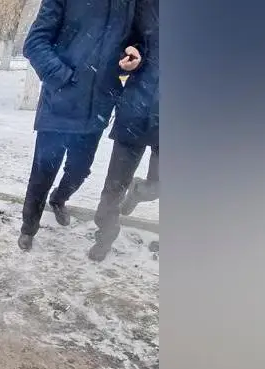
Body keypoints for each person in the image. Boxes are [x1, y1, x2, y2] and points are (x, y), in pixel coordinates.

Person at [18, 0, 142, 251]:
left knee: (79, 170)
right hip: (59, 105)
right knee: (43, 173)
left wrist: (132, 55)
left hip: (97, 109)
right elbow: (34, 44)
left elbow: (134, 42)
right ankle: (28, 228)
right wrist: (64, 78)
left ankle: (59, 199)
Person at [89, 0, 159, 261]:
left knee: (161, 184)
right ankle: (106, 233)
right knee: (113, 187)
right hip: (137, 107)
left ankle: (141, 192)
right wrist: (129, 55)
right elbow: (127, 40)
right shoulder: (143, 4)